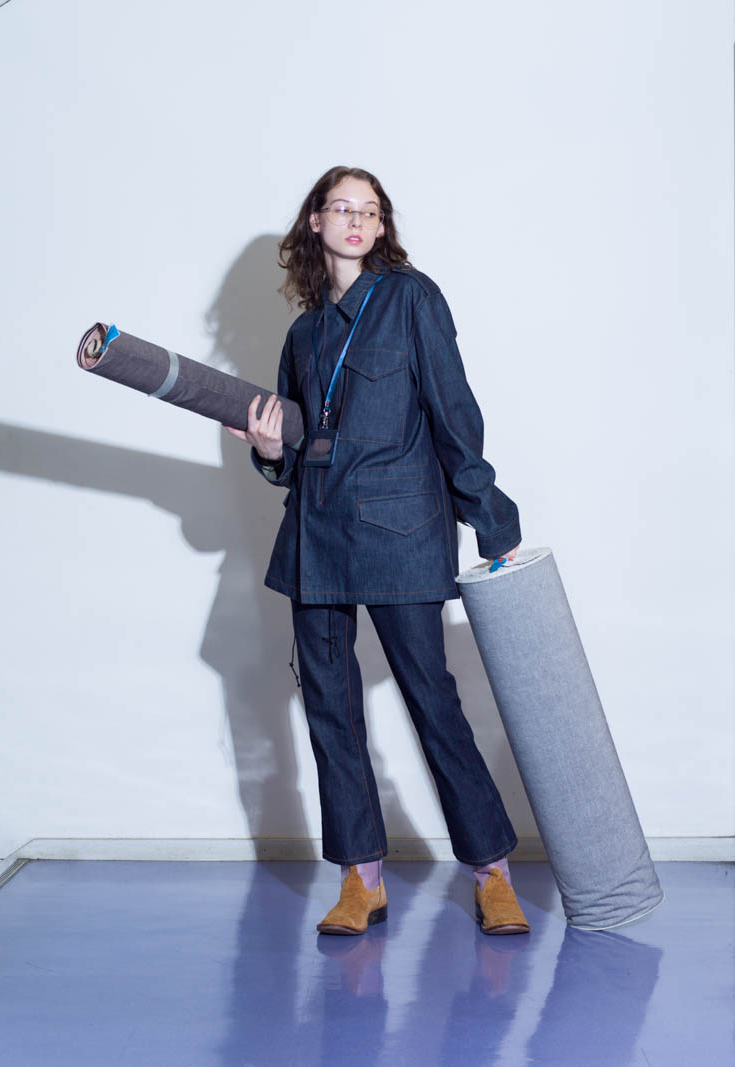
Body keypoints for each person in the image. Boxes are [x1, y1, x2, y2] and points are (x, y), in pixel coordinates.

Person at [225, 165, 529, 937]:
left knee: (433, 702)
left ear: (382, 226)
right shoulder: (303, 335)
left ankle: (492, 872)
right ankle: (361, 879)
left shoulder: (412, 298)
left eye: (371, 210)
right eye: (342, 208)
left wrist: (491, 519)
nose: (357, 221)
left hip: (401, 533)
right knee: (330, 711)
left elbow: (454, 412)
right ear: (316, 223)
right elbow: (296, 451)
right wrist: (268, 450)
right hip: (316, 539)